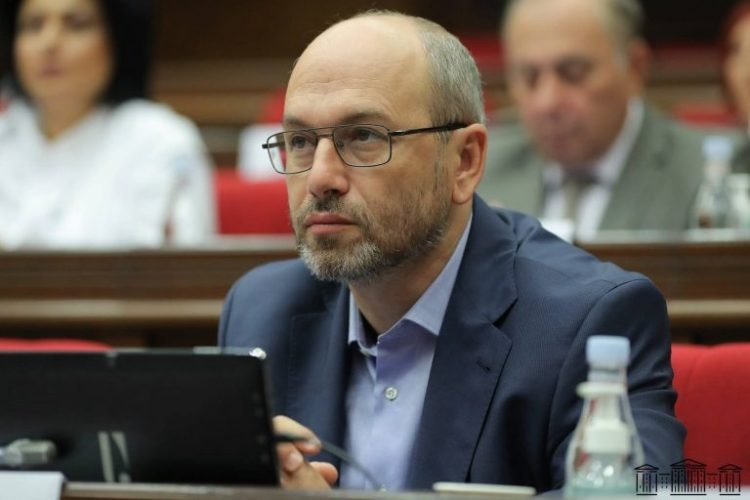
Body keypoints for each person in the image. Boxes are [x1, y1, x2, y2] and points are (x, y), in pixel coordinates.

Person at [219, 10, 684, 492]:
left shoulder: (588, 320)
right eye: (299, 141)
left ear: (464, 160)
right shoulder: (260, 311)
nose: (320, 177)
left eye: (363, 137)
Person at [477, 0, 707, 238]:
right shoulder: (478, 171)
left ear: (635, 68)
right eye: (529, 77)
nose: (547, 102)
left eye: (573, 74)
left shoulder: (705, 176)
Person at [0, 0, 215, 249]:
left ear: (118, 37)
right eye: (33, 25)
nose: (49, 43)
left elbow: (183, 267)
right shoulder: (6, 132)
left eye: (76, 25)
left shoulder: (160, 140)